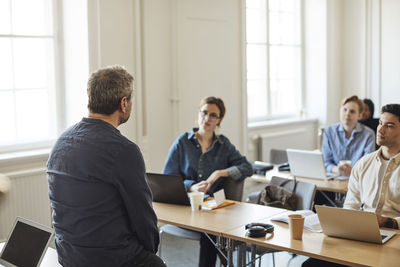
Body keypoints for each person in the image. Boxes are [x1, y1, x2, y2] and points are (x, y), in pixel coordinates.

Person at [47, 66, 165, 267]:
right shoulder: (124, 151)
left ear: (89, 97)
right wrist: (150, 250)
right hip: (109, 259)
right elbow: (143, 218)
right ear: (124, 103)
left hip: (69, 256)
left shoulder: (61, 143)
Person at [302, 104, 400, 267]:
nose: (381, 130)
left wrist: (388, 222)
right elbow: (351, 207)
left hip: (395, 237)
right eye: (380, 123)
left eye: (389, 126)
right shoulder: (363, 164)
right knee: (310, 265)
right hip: (361, 236)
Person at [163, 96, 253, 267]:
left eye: (213, 115)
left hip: (214, 207)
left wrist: (220, 173)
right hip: (187, 207)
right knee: (213, 230)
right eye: (204, 113)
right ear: (198, 114)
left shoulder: (223, 144)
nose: (208, 118)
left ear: (219, 120)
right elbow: (168, 180)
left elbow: (247, 167)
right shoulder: (182, 142)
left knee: (214, 227)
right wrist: (191, 187)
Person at [322, 95, 375, 177]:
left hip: (358, 179)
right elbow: (326, 162)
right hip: (334, 178)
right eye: (345, 110)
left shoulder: (369, 134)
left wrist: (353, 170)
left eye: (352, 111)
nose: (347, 114)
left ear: (360, 115)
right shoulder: (329, 131)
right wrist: (336, 169)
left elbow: (368, 164)